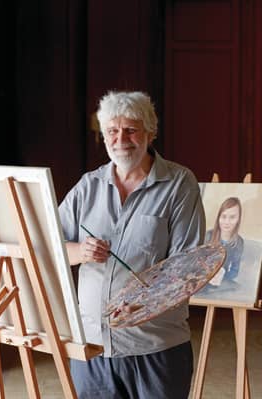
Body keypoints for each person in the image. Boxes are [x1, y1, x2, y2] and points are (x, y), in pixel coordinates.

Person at [59, 91, 205, 399]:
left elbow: (186, 266)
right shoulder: (88, 186)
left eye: (131, 129)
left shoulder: (179, 183)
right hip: (94, 347)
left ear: (151, 133)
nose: (120, 138)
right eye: (112, 130)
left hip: (155, 347)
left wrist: (143, 304)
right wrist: (80, 251)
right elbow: (48, 245)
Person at [205, 197, 244, 288]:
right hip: (204, 280)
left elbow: (234, 270)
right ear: (218, 217)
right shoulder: (208, 236)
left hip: (221, 280)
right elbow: (197, 264)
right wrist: (209, 274)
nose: (227, 222)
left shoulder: (239, 242)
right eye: (223, 216)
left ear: (238, 219)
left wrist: (223, 275)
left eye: (232, 217)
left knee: (237, 288)